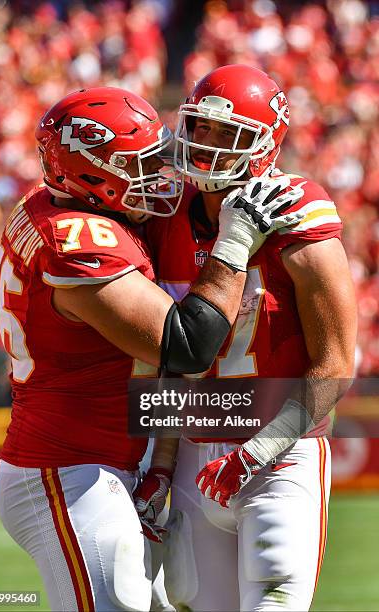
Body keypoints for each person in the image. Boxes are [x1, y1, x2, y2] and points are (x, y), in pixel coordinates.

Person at [0, 86, 303, 612]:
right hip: (68, 470)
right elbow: (186, 346)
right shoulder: (79, 241)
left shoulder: (56, 203)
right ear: (91, 175)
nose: (158, 176)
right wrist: (233, 241)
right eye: (139, 164)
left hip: (107, 461)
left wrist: (158, 464)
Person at [134, 65, 357, 611]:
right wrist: (160, 464)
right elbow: (177, 359)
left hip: (280, 457)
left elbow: (334, 366)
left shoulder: (297, 216)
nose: (204, 145)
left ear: (263, 146)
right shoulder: (168, 218)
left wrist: (253, 455)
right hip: (193, 454)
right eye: (200, 128)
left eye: (225, 133)